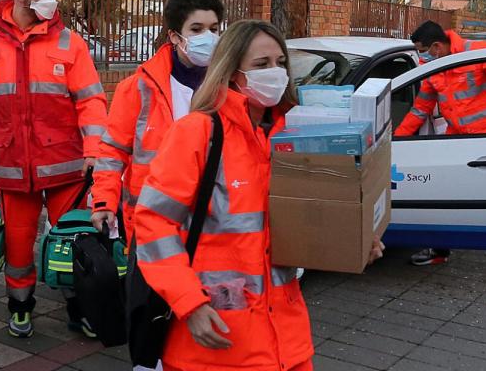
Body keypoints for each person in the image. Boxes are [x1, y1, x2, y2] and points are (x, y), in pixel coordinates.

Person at [131, 20, 384, 371]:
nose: (276, 73)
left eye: (281, 63)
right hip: (216, 338)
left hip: (286, 337)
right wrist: (188, 303)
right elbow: (154, 222)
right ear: (232, 71)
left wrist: (355, 242)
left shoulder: (293, 138)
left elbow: (307, 220)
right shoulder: (198, 132)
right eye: (261, 65)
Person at [0, 0, 108, 338]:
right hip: (13, 168)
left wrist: (95, 149)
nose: (51, 0)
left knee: (75, 241)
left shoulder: (68, 42)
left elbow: (91, 101)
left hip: (67, 167)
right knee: (19, 245)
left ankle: (81, 307)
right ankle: (20, 306)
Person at [396, 20, 486, 275]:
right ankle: (440, 250)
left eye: (423, 50)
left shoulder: (477, 51)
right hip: (457, 139)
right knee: (443, 193)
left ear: (436, 46)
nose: (422, 56)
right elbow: (419, 109)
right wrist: (395, 140)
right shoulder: (434, 68)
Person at [89, 0, 224, 242]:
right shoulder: (138, 88)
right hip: (151, 220)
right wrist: (104, 201)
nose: (208, 37)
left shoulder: (230, 89)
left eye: (214, 29)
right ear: (174, 36)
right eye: (196, 30)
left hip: (213, 221)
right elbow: (112, 151)